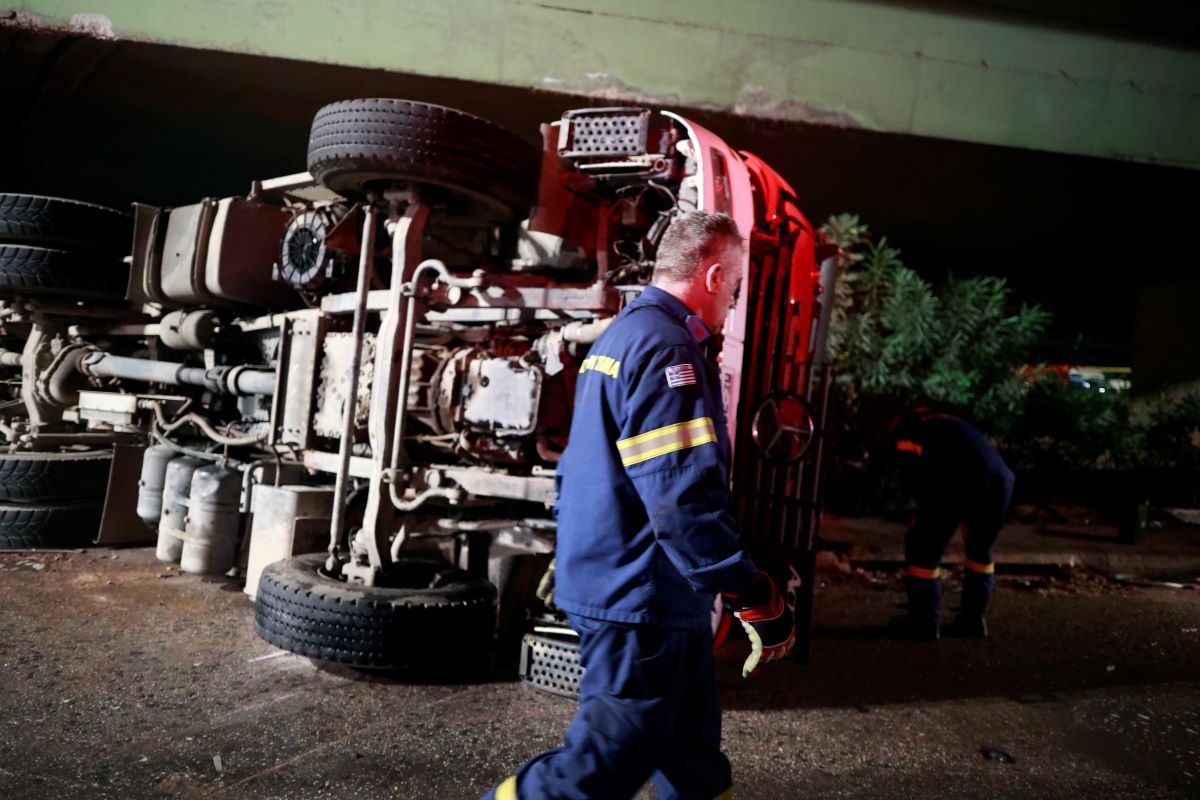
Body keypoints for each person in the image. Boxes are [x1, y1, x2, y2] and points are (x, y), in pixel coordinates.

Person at [484, 211, 795, 800]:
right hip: (641, 596)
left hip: (637, 585)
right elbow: (680, 498)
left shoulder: (624, 335)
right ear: (712, 276)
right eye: (734, 286)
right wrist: (748, 591)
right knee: (602, 764)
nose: (732, 300)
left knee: (693, 762)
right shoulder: (670, 350)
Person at [888, 407, 1015, 640]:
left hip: (959, 476)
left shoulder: (907, 427)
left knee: (922, 547)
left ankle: (924, 621)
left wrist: (920, 509)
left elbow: (912, 474)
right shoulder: (945, 421)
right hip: (1001, 480)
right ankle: (972, 620)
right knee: (979, 550)